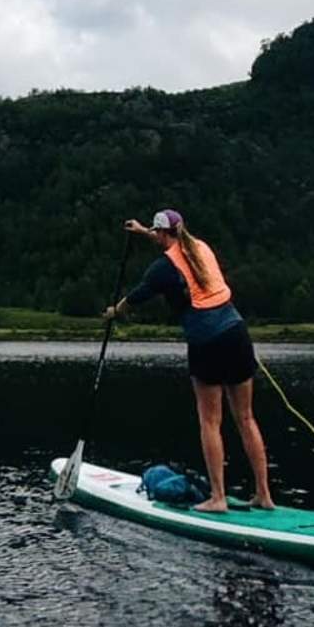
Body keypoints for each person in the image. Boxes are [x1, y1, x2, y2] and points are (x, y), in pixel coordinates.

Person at [104, 210, 274, 512]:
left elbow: (135, 298)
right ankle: (264, 495)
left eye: (155, 232)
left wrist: (114, 312)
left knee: (210, 422)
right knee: (246, 418)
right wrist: (144, 231)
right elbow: (170, 240)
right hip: (237, 333)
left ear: (162, 233)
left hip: (207, 342)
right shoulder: (202, 247)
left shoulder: (162, 269)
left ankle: (218, 498)